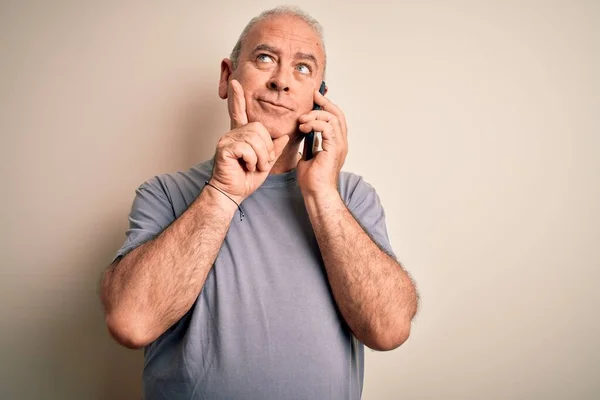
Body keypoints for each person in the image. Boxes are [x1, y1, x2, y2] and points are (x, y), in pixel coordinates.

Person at [99, 6, 419, 400]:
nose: (282, 81)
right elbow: (131, 323)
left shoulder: (352, 197)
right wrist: (222, 192)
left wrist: (321, 193)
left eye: (303, 68)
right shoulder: (165, 193)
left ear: (320, 98)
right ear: (227, 76)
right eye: (264, 58)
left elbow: (388, 330)